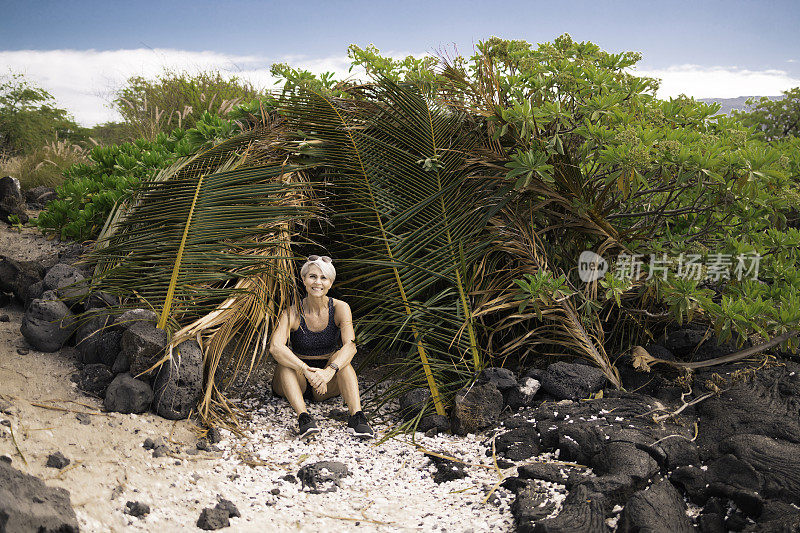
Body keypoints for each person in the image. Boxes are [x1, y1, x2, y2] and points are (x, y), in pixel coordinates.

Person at [269, 255, 374, 439]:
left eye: (323, 278)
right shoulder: (292, 312)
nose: (318, 282)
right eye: (312, 276)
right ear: (303, 280)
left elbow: (351, 346)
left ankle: (357, 417)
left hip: (326, 380)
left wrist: (329, 372)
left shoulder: (340, 308)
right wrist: (306, 370)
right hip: (297, 379)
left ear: (330, 283)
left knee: (343, 360)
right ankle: (304, 418)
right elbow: (276, 347)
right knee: (284, 361)